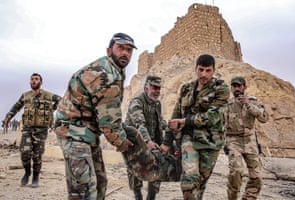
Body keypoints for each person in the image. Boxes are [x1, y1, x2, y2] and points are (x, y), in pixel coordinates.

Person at [54, 32, 180, 200]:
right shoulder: (108, 75)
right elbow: (110, 123)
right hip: (73, 132)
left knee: (100, 184)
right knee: (84, 189)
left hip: (88, 132)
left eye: (129, 50)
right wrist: (124, 143)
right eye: (120, 48)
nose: (125, 53)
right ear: (109, 50)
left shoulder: (115, 71)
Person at [160, 54, 230, 199]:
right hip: (189, 139)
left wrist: (185, 121)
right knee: (189, 182)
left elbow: (213, 117)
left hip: (210, 143)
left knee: (200, 184)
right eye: (201, 70)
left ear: (214, 70)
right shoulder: (186, 88)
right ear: (196, 69)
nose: (204, 74)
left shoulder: (221, 88)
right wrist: (167, 142)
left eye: (208, 70)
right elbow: (175, 115)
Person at [3, 73, 61, 188]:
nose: (34, 81)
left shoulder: (48, 95)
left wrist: (51, 110)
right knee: (25, 153)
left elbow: (61, 100)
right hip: (27, 129)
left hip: (41, 129)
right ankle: (27, 172)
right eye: (32, 79)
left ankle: (35, 177)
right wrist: (8, 118)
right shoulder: (25, 95)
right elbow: (16, 107)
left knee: (37, 155)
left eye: (36, 79)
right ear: (30, 82)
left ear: (41, 82)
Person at [225, 76, 269, 200]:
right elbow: (220, 125)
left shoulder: (253, 101)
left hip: (250, 141)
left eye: (239, 86)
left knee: (257, 176)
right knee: (236, 172)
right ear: (231, 88)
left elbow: (264, 118)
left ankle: (249, 197)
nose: (237, 88)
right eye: (234, 86)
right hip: (233, 141)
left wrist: (248, 105)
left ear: (244, 87)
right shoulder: (227, 105)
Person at [124, 75, 166, 200]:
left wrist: (168, 125)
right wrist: (148, 141)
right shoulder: (136, 102)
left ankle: (151, 197)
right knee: (135, 171)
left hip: (152, 141)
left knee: (157, 168)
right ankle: (138, 196)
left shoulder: (157, 104)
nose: (157, 91)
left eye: (158, 88)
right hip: (135, 143)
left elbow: (159, 122)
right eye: (154, 88)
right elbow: (139, 124)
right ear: (146, 88)